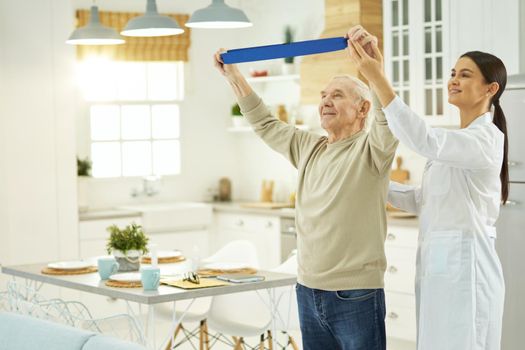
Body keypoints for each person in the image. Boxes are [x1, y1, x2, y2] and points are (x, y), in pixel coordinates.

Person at [214, 46, 398, 350]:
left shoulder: (372, 151)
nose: (325, 101)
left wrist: (374, 68)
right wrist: (233, 75)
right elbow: (264, 122)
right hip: (309, 289)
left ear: (363, 109)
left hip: (355, 293)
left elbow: (387, 119)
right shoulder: (308, 147)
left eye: (337, 95)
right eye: (324, 95)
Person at [347, 25, 507, 350]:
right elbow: (422, 200)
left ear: (490, 88)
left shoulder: (484, 139)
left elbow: (422, 138)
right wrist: (369, 181)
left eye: (464, 75)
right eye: (453, 73)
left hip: (468, 272)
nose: (453, 80)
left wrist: (377, 78)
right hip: (443, 268)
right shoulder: (458, 140)